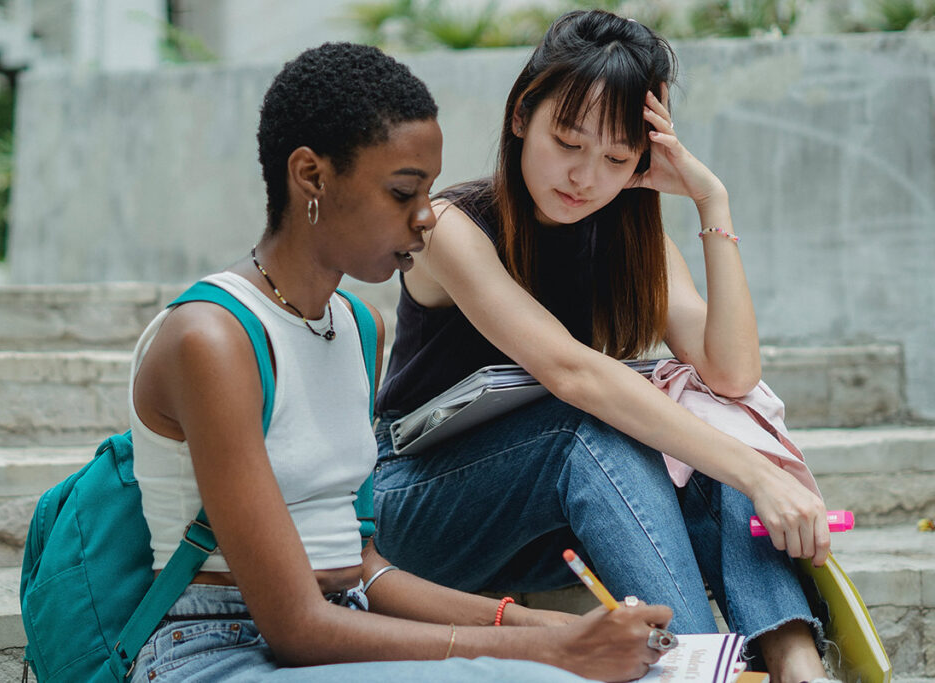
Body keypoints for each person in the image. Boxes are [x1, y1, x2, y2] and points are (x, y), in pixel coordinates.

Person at [127, 42, 674, 682]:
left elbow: (365, 567)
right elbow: (298, 627)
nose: (426, 218)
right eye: (403, 192)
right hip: (216, 651)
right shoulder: (212, 339)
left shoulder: (359, 327)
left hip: (348, 623)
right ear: (311, 177)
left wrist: (542, 626)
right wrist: (551, 651)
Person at [372, 11, 832, 683]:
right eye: (568, 141)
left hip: (549, 530)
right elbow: (572, 374)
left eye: (617, 157)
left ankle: (797, 661)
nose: (585, 176)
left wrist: (712, 201)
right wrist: (759, 474)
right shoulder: (451, 225)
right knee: (592, 423)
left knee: (715, 416)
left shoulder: (632, 243)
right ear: (523, 116)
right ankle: (697, 667)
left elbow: (732, 373)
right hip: (423, 504)